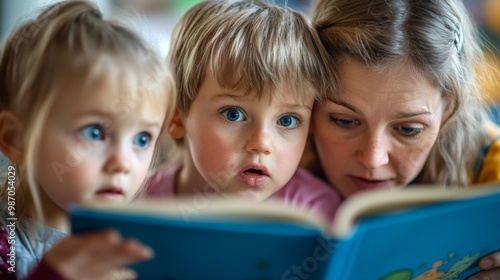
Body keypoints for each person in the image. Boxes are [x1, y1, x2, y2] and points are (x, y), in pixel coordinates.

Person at [307, 0, 500, 279]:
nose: (374, 159)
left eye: (408, 129)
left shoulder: (491, 170)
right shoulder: (270, 150)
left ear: (448, 109)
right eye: (345, 121)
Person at [0, 1, 176, 279]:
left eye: (142, 139)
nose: (123, 163)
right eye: (94, 132)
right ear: (16, 139)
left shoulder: (134, 244)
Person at [142, 0, 342, 222]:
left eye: (287, 120)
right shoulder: (137, 200)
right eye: (233, 114)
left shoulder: (315, 211)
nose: (262, 143)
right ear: (177, 116)